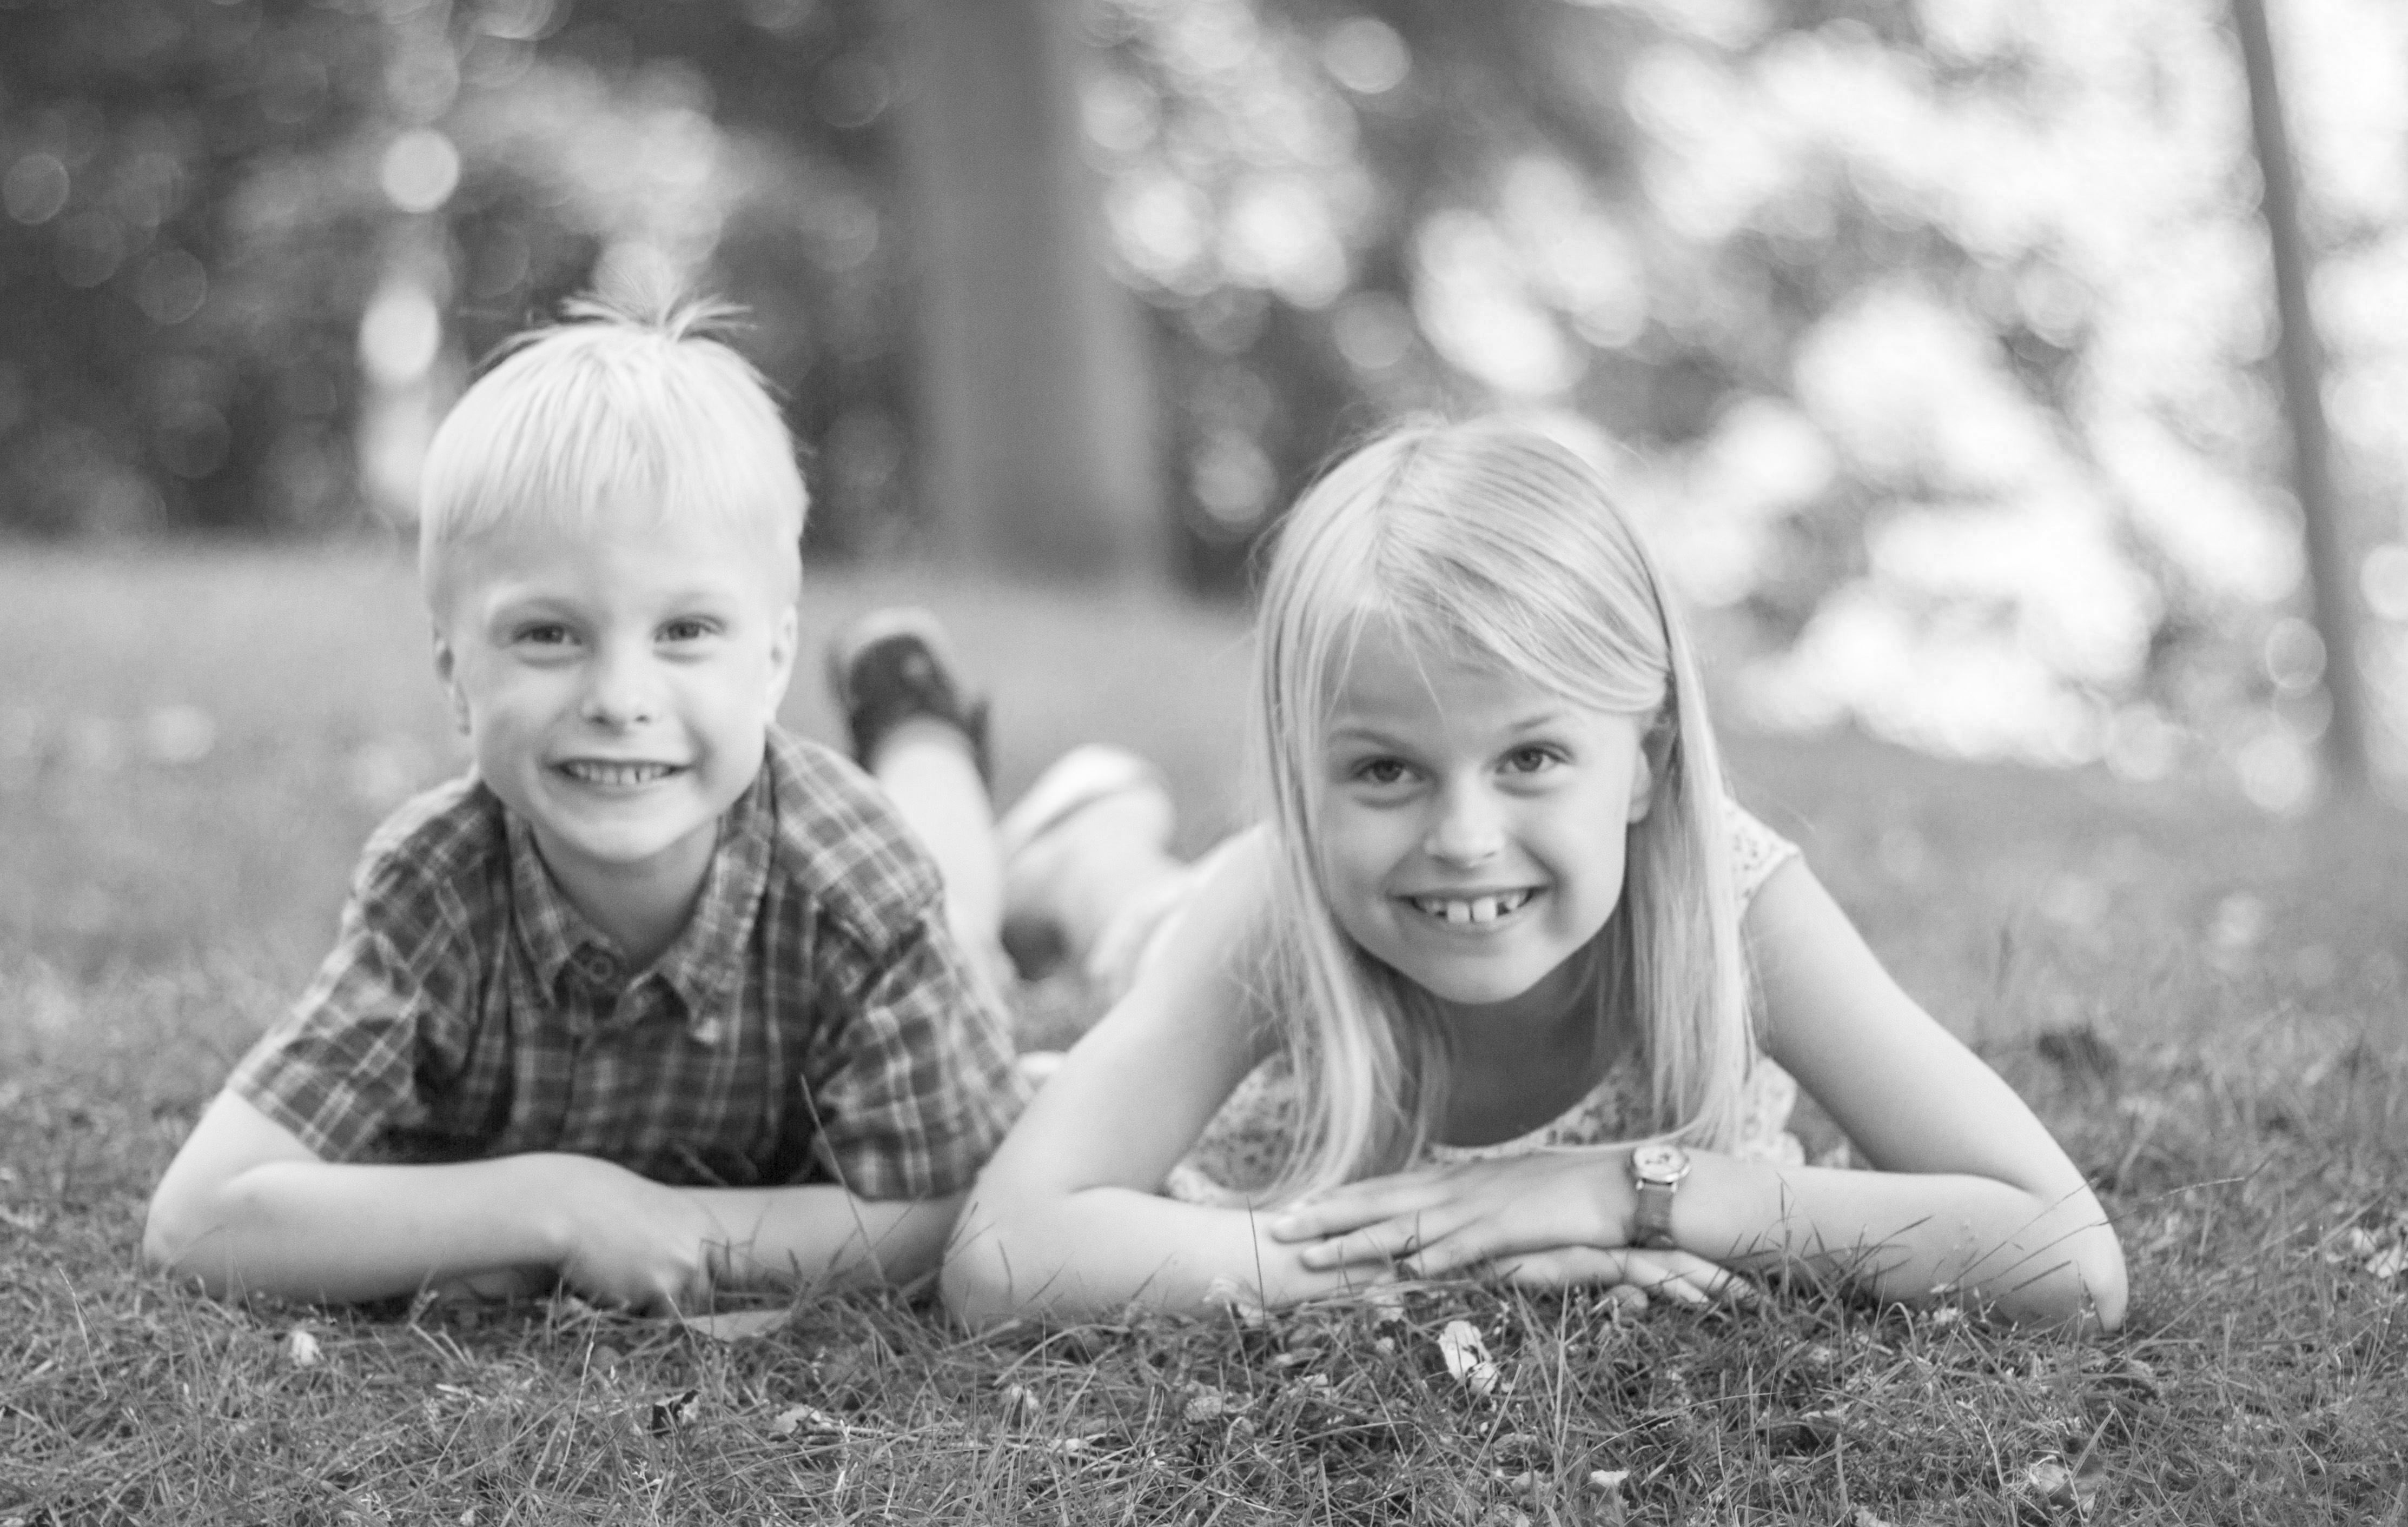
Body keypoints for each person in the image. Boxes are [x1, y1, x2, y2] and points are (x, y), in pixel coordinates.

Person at [942, 419, 2129, 1331]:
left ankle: (1100, 837)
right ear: (1302, 782)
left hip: (1380, 912)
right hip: (1225, 922)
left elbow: (2066, 1256)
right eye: (1385, 770)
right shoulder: (1273, 904)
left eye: (1530, 758)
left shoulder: (1728, 898)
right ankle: (1086, 841)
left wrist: (1624, 1190)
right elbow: (1002, 1251)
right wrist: (1425, 1255)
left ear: (1646, 762)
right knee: (1143, 921)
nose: (1465, 834)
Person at [141, 297, 1026, 1312]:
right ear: (454, 672)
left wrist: (674, 1233)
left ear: (775, 658)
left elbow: (942, 1212)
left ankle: (924, 727)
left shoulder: (859, 887)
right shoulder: (436, 891)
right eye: (549, 635)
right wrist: (553, 1205)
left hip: (906, 895)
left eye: (685, 631)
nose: (619, 699)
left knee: (967, 916)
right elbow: (196, 1221)